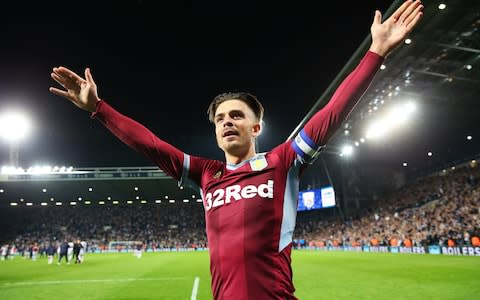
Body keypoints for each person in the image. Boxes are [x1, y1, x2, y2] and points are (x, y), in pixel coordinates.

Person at [49, 1, 423, 298]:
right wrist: (99, 108)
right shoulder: (207, 174)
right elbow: (150, 145)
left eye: (236, 116)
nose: (227, 121)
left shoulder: (283, 163)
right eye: (220, 118)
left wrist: (375, 52)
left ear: (256, 126)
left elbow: (333, 112)